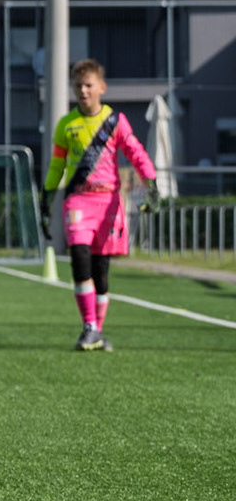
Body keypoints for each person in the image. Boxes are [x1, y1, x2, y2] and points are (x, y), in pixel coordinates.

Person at [44, 59, 156, 352]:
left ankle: (98, 330)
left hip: (108, 202)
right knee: (80, 258)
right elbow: (57, 165)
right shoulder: (66, 125)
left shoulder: (115, 121)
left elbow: (136, 153)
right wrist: (47, 197)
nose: (83, 90)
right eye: (78, 86)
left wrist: (151, 185)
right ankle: (89, 327)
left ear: (101, 88)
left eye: (88, 85)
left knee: (101, 270)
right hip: (78, 200)